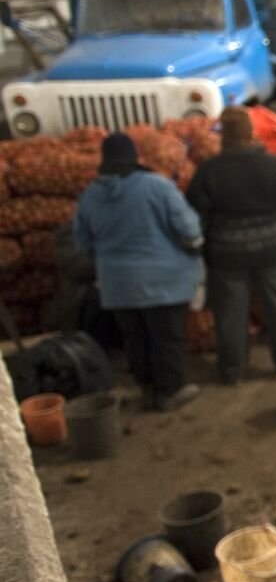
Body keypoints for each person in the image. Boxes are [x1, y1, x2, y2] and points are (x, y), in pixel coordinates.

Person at [72, 133, 203, 411]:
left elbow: (82, 242)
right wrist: (194, 250)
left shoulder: (91, 195)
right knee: (166, 337)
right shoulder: (157, 186)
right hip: (162, 280)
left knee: (136, 338)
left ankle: (148, 389)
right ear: (135, 156)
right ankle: (171, 391)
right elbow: (189, 229)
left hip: (116, 284)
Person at [186, 106, 276, 384]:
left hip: (227, 253)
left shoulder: (209, 171)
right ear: (251, 134)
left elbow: (194, 213)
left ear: (224, 136)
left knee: (230, 313)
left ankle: (232, 372)